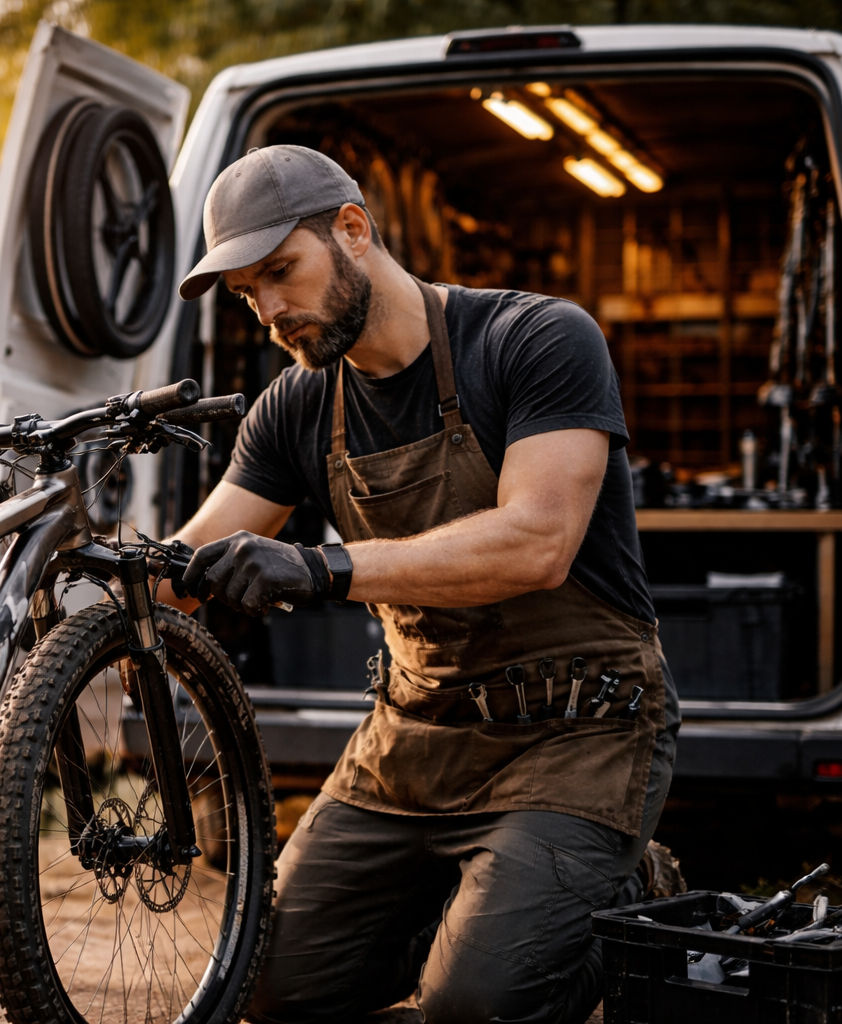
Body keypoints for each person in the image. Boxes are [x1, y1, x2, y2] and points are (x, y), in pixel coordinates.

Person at [164, 144, 681, 1024]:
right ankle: (481, 915)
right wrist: (93, 576)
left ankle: (628, 891)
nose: (271, 311)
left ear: (354, 231)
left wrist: (325, 567)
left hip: (577, 732)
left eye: (281, 272)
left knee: (471, 1011)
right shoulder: (292, 407)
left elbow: (536, 543)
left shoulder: (537, 339)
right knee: (262, 985)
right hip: (412, 741)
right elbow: (190, 564)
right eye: (250, 294)